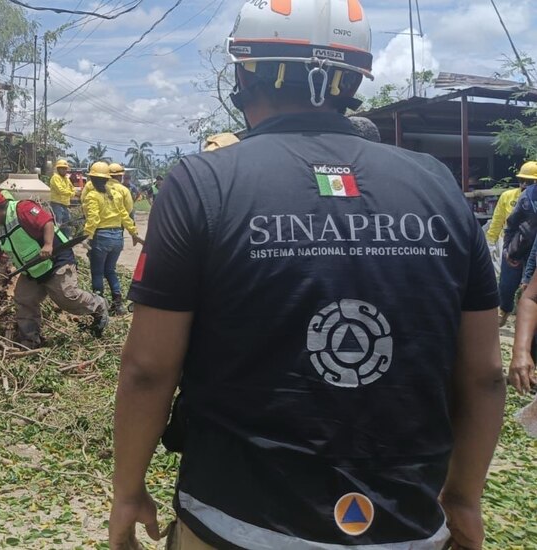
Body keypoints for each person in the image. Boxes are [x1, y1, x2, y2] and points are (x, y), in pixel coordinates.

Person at [109, 2, 505, 550]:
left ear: (245, 74)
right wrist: (462, 498)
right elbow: (485, 374)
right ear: (353, 80)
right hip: (406, 522)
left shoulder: (203, 183)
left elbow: (149, 370)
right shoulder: (437, 185)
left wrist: (127, 490)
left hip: (234, 519)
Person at [0, 189, 108, 347]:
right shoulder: (0, 229)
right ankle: (30, 340)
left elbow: (47, 221)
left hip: (56, 260)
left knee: (66, 297)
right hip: (32, 269)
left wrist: (48, 244)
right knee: (24, 300)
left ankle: (98, 305)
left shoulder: (22, 209)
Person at [82, 161, 143, 316]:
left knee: (97, 273)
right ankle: (118, 304)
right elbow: (125, 214)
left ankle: (99, 307)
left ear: (92, 179)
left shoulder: (92, 196)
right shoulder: (114, 194)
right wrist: (134, 233)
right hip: (117, 238)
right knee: (110, 270)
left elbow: (93, 219)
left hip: (101, 237)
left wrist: (86, 237)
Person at [496, 162, 537, 325]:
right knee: (506, 286)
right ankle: (504, 311)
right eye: (522, 181)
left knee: (528, 290)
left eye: (529, 181)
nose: (524, 185)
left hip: (534, 256)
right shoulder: (525, 198)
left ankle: (525, 324)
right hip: (518, 248)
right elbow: (511, 223)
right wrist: (507, 249)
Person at [49, 159, 77, 236]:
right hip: (57, 204)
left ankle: (66, 241)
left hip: (65, 204)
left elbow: (72, 188)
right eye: (62, 168)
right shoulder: (55, 178)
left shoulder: (66, 179)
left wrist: (73, 192)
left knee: (67, 224)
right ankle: (57, 241)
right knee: (58, 223)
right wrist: (72, 194)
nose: (64, 170)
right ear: (58, 169)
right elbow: (60, 191)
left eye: (65, 168)